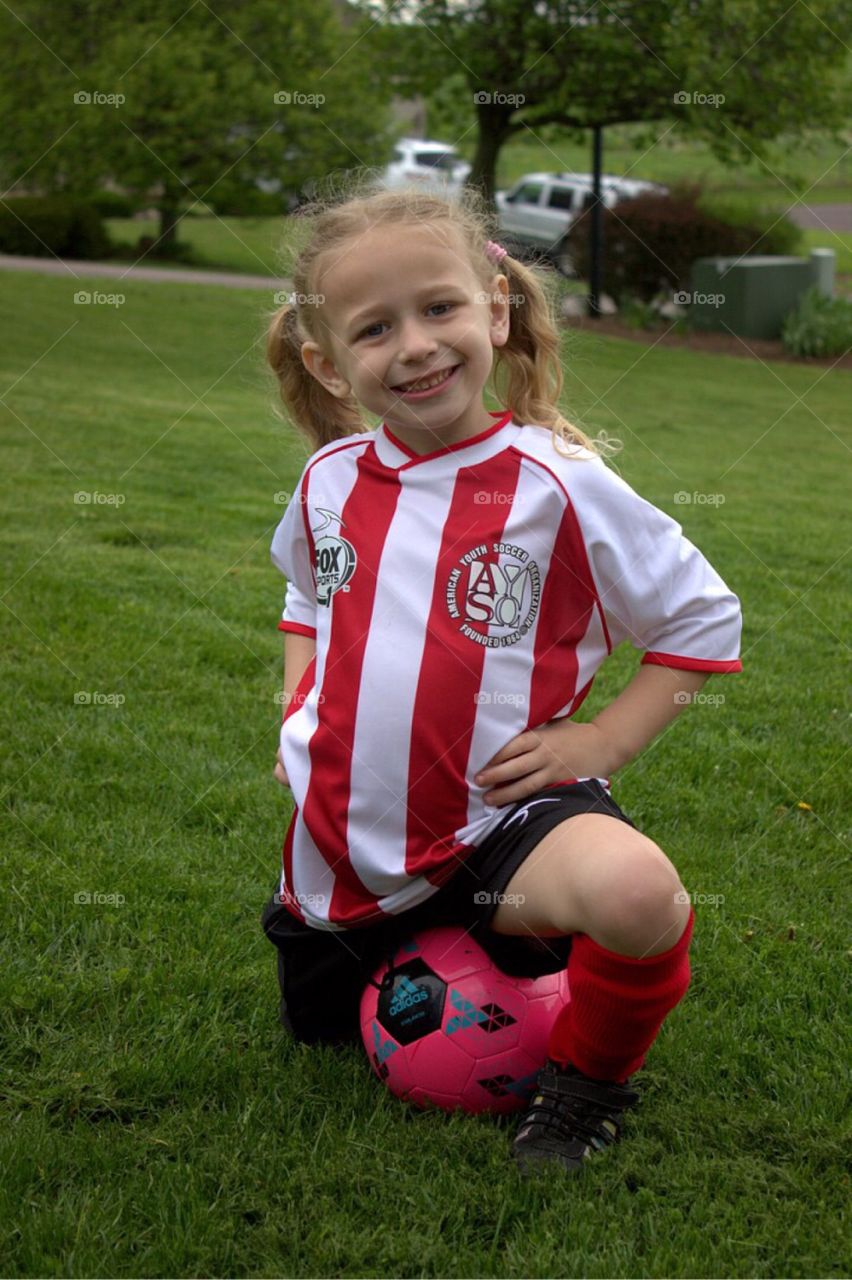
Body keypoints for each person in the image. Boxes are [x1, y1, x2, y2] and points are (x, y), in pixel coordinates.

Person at [259, 183, 742, 1175]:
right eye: (375, 327)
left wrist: (600, 743)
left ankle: (582, 1091)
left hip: (497, 832)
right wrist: (298, 705)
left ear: (495, 305)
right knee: (319, 1034)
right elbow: (306, 598)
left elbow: (703, 616)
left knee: (640, 894)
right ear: (329, 362)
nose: (418, 345)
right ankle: (423, 963)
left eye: (439, 308)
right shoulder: (330, 479)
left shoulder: (557, 479)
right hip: (346, 854)